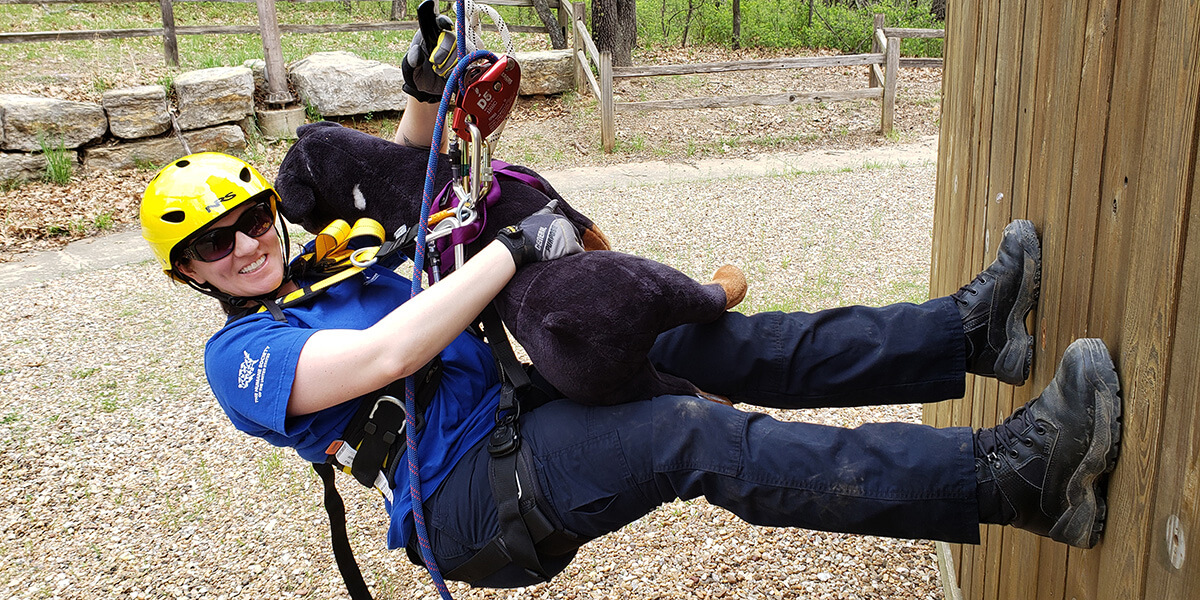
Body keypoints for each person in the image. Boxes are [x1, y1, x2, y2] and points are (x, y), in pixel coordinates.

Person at [136, 26, 1122, 592]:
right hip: (468, 500)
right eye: (212, 247)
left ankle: (968, 334)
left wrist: (429, 94)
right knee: (688, 434)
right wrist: (510, 250)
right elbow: (388, 356)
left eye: (250, 218)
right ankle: (1014, 481)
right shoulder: (246, 358)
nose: (245, 246)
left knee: (716, 341)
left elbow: (416, 180)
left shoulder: (321, 272)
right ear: (191, 277)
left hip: (520, 415)